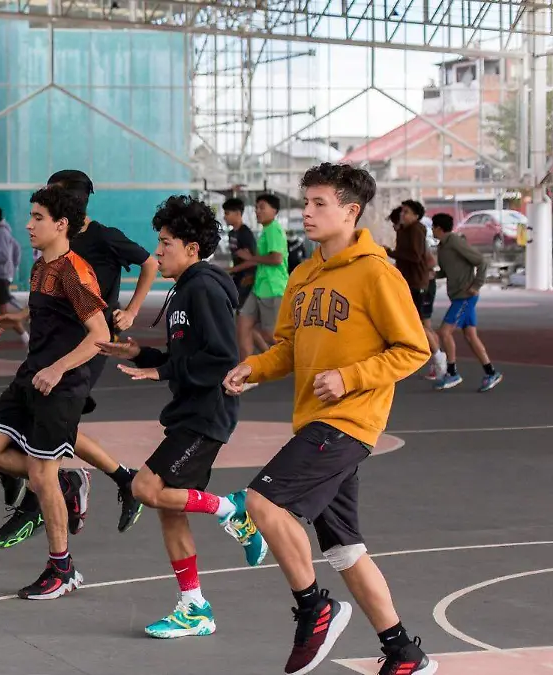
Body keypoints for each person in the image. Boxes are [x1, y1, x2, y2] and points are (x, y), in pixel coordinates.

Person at [222, 162, 436, 675]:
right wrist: (252, 367)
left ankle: (315, 607)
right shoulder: (303, 274)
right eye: (307, 203)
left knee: (262, 499)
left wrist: (351, 376)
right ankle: (405, 652)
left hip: (350, 420)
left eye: (321, 204)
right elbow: (289, 348)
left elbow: (414, 349)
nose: (309, 213)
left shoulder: (377, 272)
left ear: (351, 211)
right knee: (344, 548)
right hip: (315, 420)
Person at [99, 194, 268, 638]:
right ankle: (194, 608)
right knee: (169, 510)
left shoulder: (205, 288)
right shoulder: (185, 289)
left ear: (192, 248)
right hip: (189, 411)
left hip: (206, 413)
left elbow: (220, 358)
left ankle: (231, 508)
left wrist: (162, 370)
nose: (157, 252)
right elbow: (186, 353)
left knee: (144, 487)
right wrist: (141, 352)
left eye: (165, 243)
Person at [0, 169, 155, 547]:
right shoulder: (51, 250)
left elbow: (150, 264)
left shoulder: (102, 237)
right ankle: (112, 478)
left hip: (85, 346)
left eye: (49, 200)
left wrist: (131, 309)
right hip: (57, 342)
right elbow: (55, 297)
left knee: (52, 430)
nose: (36, 216)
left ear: (70, 204)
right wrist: (23, 316)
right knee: (57, 431)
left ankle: (43, 505)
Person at [0, 184, 104, 600]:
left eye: (38, 218)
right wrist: (19, 317)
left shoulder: (74, 270)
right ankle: (69, 480)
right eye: (30, 216)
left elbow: (100, 335)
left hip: (60, 385)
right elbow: (52, 311)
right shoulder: (41, 266)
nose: (28, 224)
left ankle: (61, 569)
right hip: (31, 377)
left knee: (41, 474)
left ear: (61, 224)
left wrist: (58, 368)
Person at [431, 213, 502, 392]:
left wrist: (476, 285)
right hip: (457, 296)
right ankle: (490, 372)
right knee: (470, 336)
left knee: (444, 332)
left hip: (465, 296)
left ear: (439, 228)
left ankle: (452, 372)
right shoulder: (443, 247)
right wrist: (433, 275)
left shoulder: (455, 242)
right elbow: (450, 271)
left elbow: (481, 262)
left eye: (433, 227)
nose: (432, 230)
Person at [385, 200, 446, 380]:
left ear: (415, 215)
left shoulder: (416, 230)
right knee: (423, 323)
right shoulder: (406, 231)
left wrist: (390, 252)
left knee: (417, 323)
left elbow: (416, 255)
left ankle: (438, 356)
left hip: (418, 284)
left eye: (405, 213)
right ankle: (437, 359)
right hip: (414, 282)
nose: (400, 220)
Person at [235, 193, 288, 386]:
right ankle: (247, 374)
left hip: (273, 289)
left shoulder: (274, 230)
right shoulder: (265, 231)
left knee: (270, 335)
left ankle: (302, 360)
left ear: (274, 211)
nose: (258, 211)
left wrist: (250, 259)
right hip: (259, 287)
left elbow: (276, 259)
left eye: (262, 207)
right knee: (243, 325)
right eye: (256, 207)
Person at [224, 197, 264, 360]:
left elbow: (252, 261)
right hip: (237, 279)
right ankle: (267, 353)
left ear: (237, 213)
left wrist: (232, 269)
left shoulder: (245, 234)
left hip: (247, 280)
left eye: (227, 213)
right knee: (244, 323)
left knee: (243, 323)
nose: (225, 216)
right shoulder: (232, 233)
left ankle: (247, 364)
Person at [0, 205, 28, 344]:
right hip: (2, 275)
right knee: (0, 311)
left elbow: (4, 256)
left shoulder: (1, 233)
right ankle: (21, 336)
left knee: (2, 313)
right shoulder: (2, 232)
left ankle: (24, 336)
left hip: (0, 275)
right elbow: (16, 251)